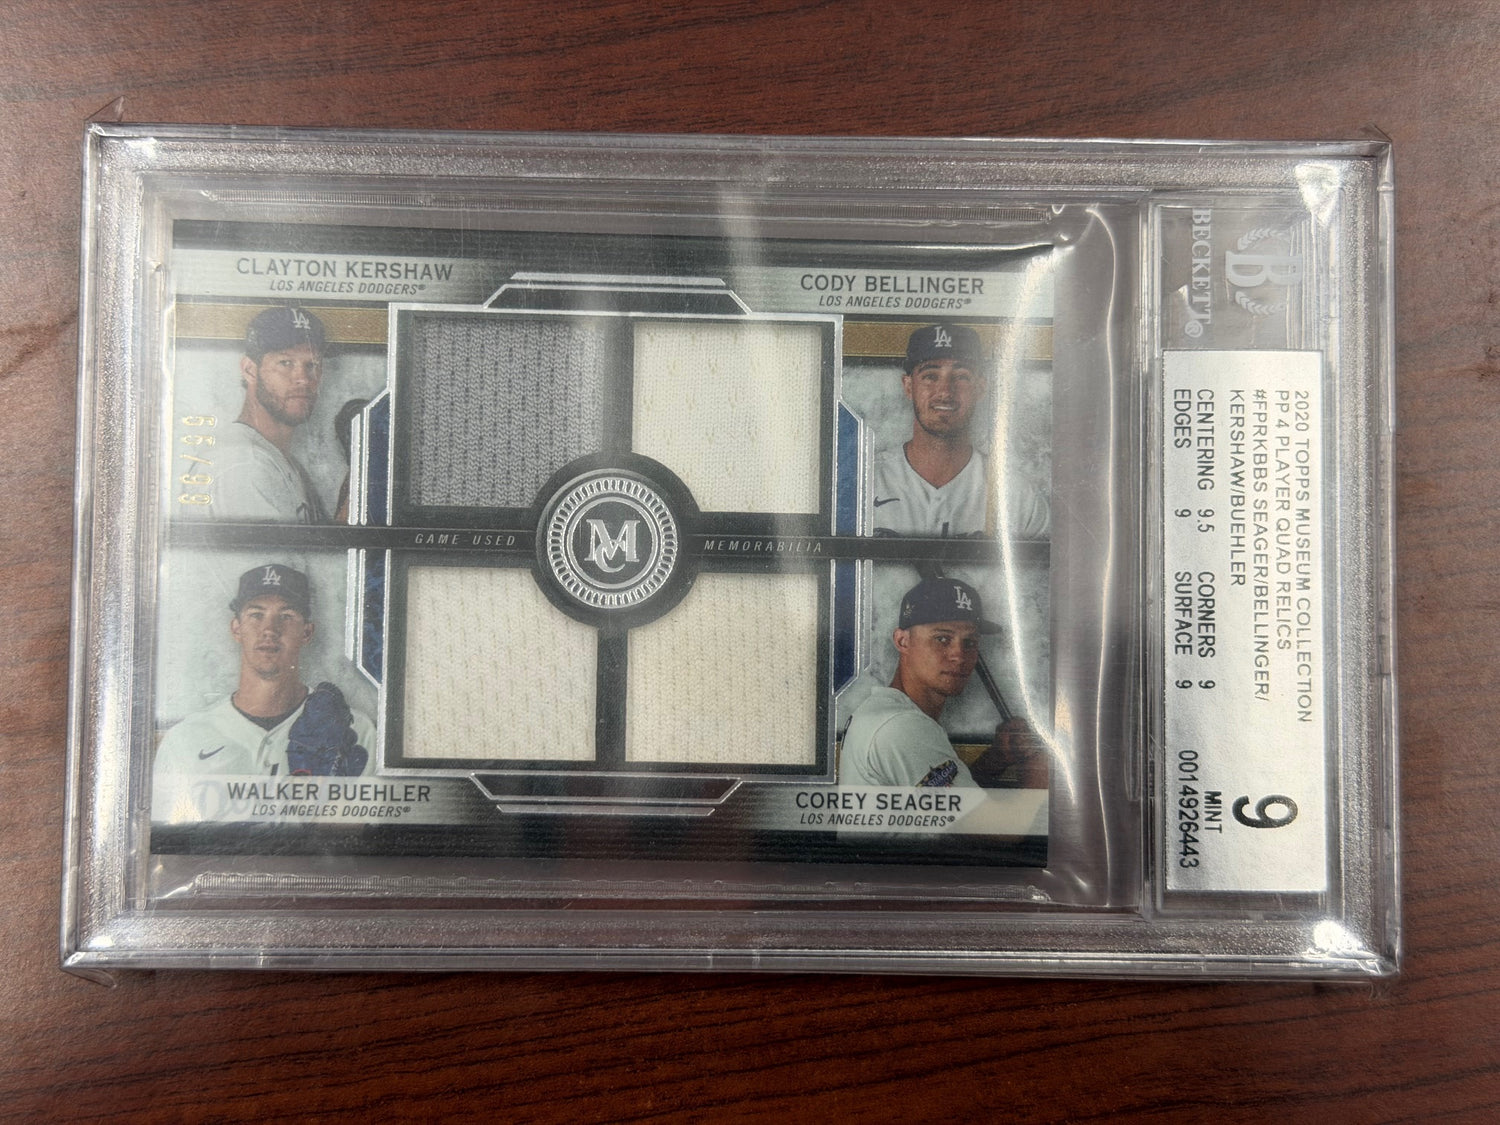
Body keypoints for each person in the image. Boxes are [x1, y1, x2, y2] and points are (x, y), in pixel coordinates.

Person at [153, 564, 374, 797]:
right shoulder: (185, 739)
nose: (270, 630)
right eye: (256, 615)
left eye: (286, 616)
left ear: (307, 632)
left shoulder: (354, 730)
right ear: (236, 628)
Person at [840, 577, 1046, 789]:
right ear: (902, 641)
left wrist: (996, 759)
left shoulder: (885, 712)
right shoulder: (903, 726)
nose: (959, 655)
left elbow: (947, 804)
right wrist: (1040, 770)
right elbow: (978, 814)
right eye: (942, 639)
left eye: (970, 642)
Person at [870, 322, 1049, 538]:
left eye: (961, 376)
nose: (945, 392)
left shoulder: (1019, 496)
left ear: (980, 387)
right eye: (930, 376)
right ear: (908, 386)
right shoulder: (865, 482)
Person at [193, 306, 330, 522]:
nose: (303, 378)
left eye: (312, 364)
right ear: (250, 370)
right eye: (285, 363)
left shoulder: (272, 457)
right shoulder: (245, 465)